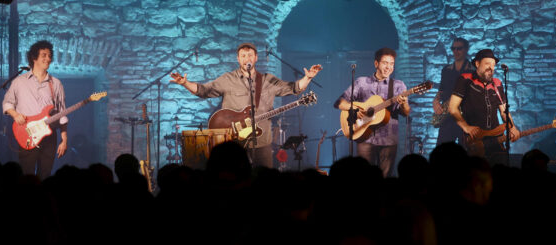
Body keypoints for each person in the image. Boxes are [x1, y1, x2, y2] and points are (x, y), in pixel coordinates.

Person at [170, 42, 322, 168]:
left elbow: (293, 88)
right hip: (233, 143)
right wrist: (185, 83)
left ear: (256, 58)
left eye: (250, 55)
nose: (246, 58)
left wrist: (307, 78)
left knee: (263, 181)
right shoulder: (228, 79)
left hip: (261, 142)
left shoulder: (268, 80)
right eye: (243, 56)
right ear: (238, 59)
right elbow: (204, 91)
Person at [335, 47, 410, 177]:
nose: (389, 67)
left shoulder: (398, 85)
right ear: (376, 64)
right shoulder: (361, 82)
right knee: (364, 178)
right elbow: (339, 103)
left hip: (389, 140)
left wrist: (404, 103)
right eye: (385, 63)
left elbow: (406, 113)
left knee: (384, 179)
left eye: (391, 64)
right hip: (364, 136)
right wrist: (353, 108)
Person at [3, 40, 68, 179]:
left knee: (45, 175)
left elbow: (62, 114)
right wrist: (15, 114)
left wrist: (64, 139)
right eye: (44, 55)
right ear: (34, 58)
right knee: (27, 176)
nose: (48, 59)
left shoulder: (55, 83)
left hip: (49, 135)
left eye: (50, 55)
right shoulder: (20, 81)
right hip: (27, 134)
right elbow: (7, 103)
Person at [448, 48, 520, 162]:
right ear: (477, 64)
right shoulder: (465, 79)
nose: (491, 68)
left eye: (493, 65)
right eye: (487, 63)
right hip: (474, 140)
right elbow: (452, 108)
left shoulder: (497, 83)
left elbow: (504, 111)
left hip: (496, 140)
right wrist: (465, 127)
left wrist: (513, 127)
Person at [432, 37, 475, 146]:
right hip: (447, 117)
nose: (455, 51)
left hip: (465, 117)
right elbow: (441, 90)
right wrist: (436, 101)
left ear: (466, 49)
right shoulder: (446, 70)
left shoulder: (473, 70)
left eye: (459, 48)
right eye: (453, 48)